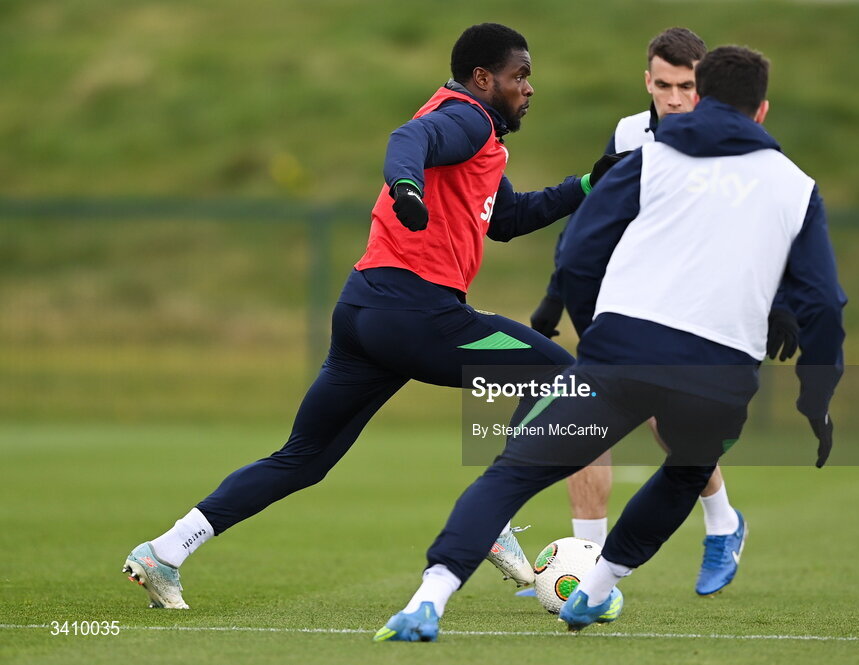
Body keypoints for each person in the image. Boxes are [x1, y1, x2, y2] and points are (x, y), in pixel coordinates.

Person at [120, 22, 624, 610]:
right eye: (520, 76)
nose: (528, 89)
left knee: (302, 459)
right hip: (417, 314)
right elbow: (408, 140)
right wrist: (405, 184)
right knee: (562, 376)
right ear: (483, 79)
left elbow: (508, 217)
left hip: (364, 312)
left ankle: (165, 552)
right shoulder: (466, 119)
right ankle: (492, 520)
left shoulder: (479, 139)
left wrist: (588, 183)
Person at [375, 45, 846, 642]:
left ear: (700, 94)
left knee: (512, 474)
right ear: (762, 111)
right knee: (686, 469)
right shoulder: (796, 185)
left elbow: (577, 252)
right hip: (719, 374)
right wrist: (817, 396)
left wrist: (593, 329)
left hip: (621, 351)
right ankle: (595, 592)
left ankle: (428, 599)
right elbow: (824, 303)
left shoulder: (651, 158)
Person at [527, 27, 799, 598]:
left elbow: (770, 224)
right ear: (647, 82)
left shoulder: (740, 142)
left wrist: (783, 300)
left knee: (669, 426)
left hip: (692, 304)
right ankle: (589, 573)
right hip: (619, 297)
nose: (674, 99)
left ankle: (723, 523)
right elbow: (592, 215)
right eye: (664, 85)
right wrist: (556, 295)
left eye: (687, 86)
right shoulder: (629, 133)